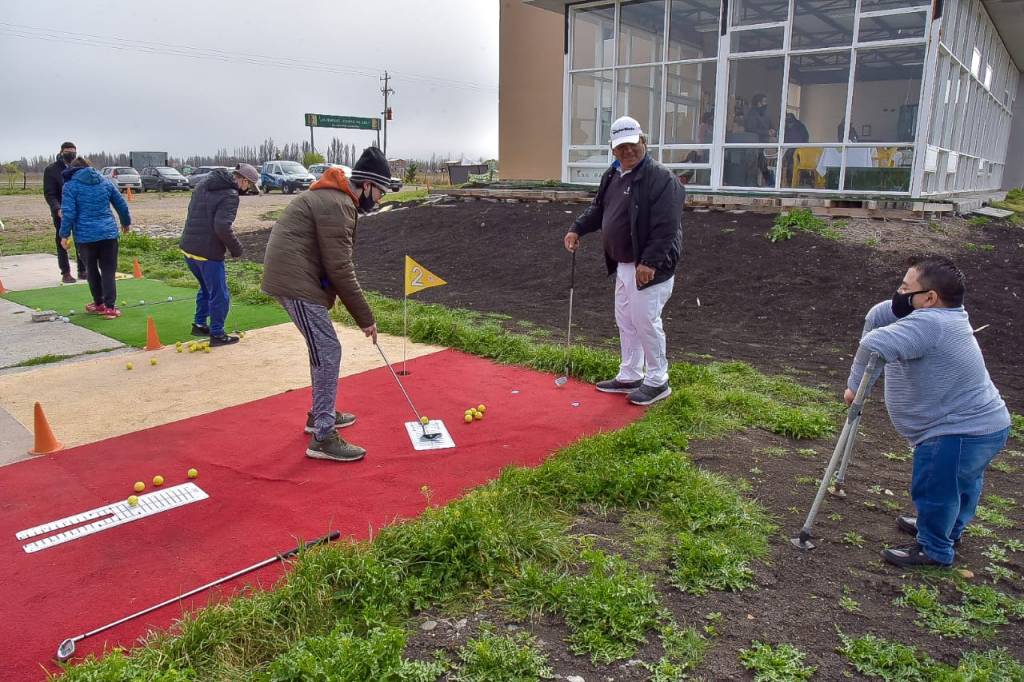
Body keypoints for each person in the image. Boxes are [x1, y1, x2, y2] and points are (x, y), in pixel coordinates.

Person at [845, 256, 1011, 568]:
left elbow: (875, 342)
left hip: (955, 431)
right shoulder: (951, 316)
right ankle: (949, 530)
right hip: (987, 426)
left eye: (905, 288)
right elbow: (887, 317)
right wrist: (885, 312)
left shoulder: (930, 324)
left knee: (935, 489)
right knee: (961, 485)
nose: (899, 293)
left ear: (929, 297)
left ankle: (934, 548)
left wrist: (855, 387)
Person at [261, 147, 390, 462]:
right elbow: (340, 268)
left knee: (322, 349)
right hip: (295, 282)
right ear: (368, 185)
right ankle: (323, 435)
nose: (380, 200)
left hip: (297, 278)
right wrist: (365, 318)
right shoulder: (338, 205)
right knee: (328, 350)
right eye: (381, 192)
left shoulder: (337, 200)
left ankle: (321, 414)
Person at [564, 115, 684, 407]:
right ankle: (630, 374)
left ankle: (658, 380)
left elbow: (666, 227)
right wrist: (577, 228)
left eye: (632, 144)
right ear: (612, 148)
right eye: (621, 147)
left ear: (643, 141)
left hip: (649, 267)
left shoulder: (662, 179)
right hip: (624, 264)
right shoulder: (613, 174)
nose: (627, 150)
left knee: (646, 321)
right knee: (626, 320)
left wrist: (650, 262)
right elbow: (599, 209)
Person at [179, 164, 258, 346]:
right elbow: (222, 227)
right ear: (243, 180)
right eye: (249, 185)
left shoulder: (204, 183)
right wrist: (236, 249)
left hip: (188, 247)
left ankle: (199, 324)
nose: (247, 189)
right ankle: (217, 334)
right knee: (220, 295)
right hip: (208, 252)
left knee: (207, 288)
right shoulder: (230, 195)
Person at [58, 157, 131, 318]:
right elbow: (121, 204)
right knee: (108, 270)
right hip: (108, 234)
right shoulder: (105, 182)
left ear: (73, 170)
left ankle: (99, 303)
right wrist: (126, 222)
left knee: (91, 271)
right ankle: (110, 307)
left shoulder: (70, 186)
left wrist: (64, 235)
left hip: (85, 237)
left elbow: (68, 213)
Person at [43, 141, 86, 283]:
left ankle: (83, 270)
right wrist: (57, 209)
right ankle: (66, 272)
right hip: (61, 211)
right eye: (68, 152)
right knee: (62, 240)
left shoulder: (79, 168)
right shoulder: (52, 170)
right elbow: (50, 194)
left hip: (79, 210)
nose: (71, 154)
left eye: (73, 152)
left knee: (81, 239)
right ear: (61, 152)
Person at [743, 94, 776, 185]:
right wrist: (766, 132)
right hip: (753, 144)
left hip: (762, 144)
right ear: (758, 103)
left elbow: (771, 125)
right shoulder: (751, 114)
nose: (766, 104)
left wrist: (772, 130)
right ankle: (755, 185)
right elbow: (751, 129)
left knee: (762, 165)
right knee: (754, 166)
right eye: (764, 101)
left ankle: (770, 184)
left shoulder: (766, 114)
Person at [782, 113, 810, 185]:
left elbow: (804, 139)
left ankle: (792, 181)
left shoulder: (799, 127)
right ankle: (791, 180)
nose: (788, 124)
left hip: (799, 150)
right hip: (792, 150)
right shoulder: (787, 127)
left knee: (793, 161)